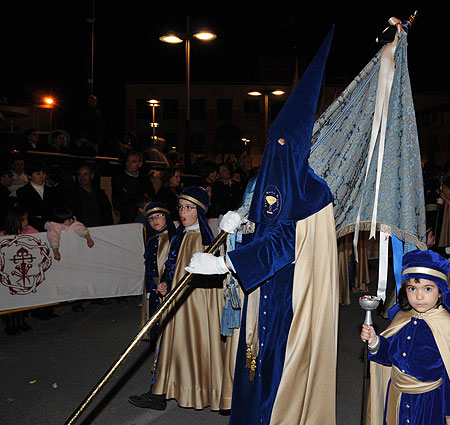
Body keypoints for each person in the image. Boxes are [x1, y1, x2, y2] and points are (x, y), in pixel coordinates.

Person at [186, 28, 339, 425]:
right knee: (253, 364)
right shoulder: (275, 176)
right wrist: (240, 225)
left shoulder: (312, 191)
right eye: (273, 143)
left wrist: (227, 265)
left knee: (277, 367)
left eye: (284, 145)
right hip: (261, 287)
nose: (276, 151)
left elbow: (289, 241)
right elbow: (266, 225)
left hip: (291, 291)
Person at [128, 186, 237, 413]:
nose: (183, 212)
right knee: (171, 345)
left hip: (199, 304)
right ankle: (159, 392)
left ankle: (217, 394)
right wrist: (167, 281)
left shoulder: (208, 241)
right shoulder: (180, 236)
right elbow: (171, 264)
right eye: (180, 207)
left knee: (200, 342)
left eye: (189, 208)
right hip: (178, 301)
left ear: (200, 210)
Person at [362, 250, 450, 425]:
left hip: (428, 402)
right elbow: (390, 355)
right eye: (412, 288)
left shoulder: (449, 329)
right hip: (397, 397)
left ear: (441, 290)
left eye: (428, 289)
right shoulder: (403, 318)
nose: (419, 296)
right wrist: (375, 342)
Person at [139, 202, 176, 346]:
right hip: (154, 285)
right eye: (151, 218)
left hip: (168, 285)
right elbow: (148, 267)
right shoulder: (151, 241)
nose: (155, 221)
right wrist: (149, 287)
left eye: (158, 216)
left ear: (166, 217)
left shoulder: (174, 239)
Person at [0, 206, 39, 335]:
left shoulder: (30, 231)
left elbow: (40, 241)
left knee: (23, 296)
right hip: (9, 273)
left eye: (26, 219)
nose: (26, 222)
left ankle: (21, 320)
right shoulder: (3, 235)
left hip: (25, 271)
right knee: (9, 298)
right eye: (23, 220)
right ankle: (10, 322)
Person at [111, 150, 155, 223]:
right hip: (127, 219)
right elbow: (118, 203)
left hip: (145, 218)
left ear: (140, 164)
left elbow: (152, 197)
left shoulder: (145, 179)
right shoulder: (118, 179)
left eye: (133, 162)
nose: (129, 164)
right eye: (128, 161)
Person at [16, 160, 60, 231]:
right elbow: (26, 214)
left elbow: (56, 210)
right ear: (29, 175)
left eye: (44, 173)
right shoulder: (22, 191)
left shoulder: (52, 191)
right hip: (33, 227)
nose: (42, 176)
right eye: (38, 174)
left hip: (53, 226)